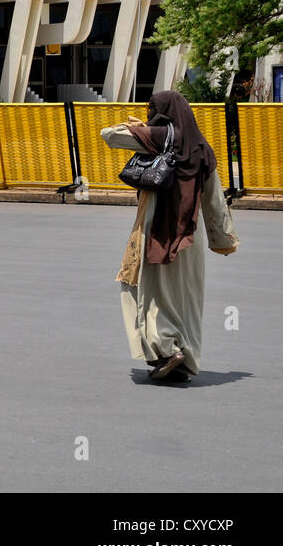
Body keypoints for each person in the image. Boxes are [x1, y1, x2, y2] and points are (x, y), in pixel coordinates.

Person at [101, 91, 239, 382]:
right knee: (186, 299)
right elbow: (215, 200)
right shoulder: (203, 148)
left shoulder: (157, 137)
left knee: (144, 292)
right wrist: (223, 239)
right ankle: (185, 361)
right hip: (191, 238)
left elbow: (108, 135)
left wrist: (136, 127)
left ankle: (165, 350)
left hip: (157, 232)